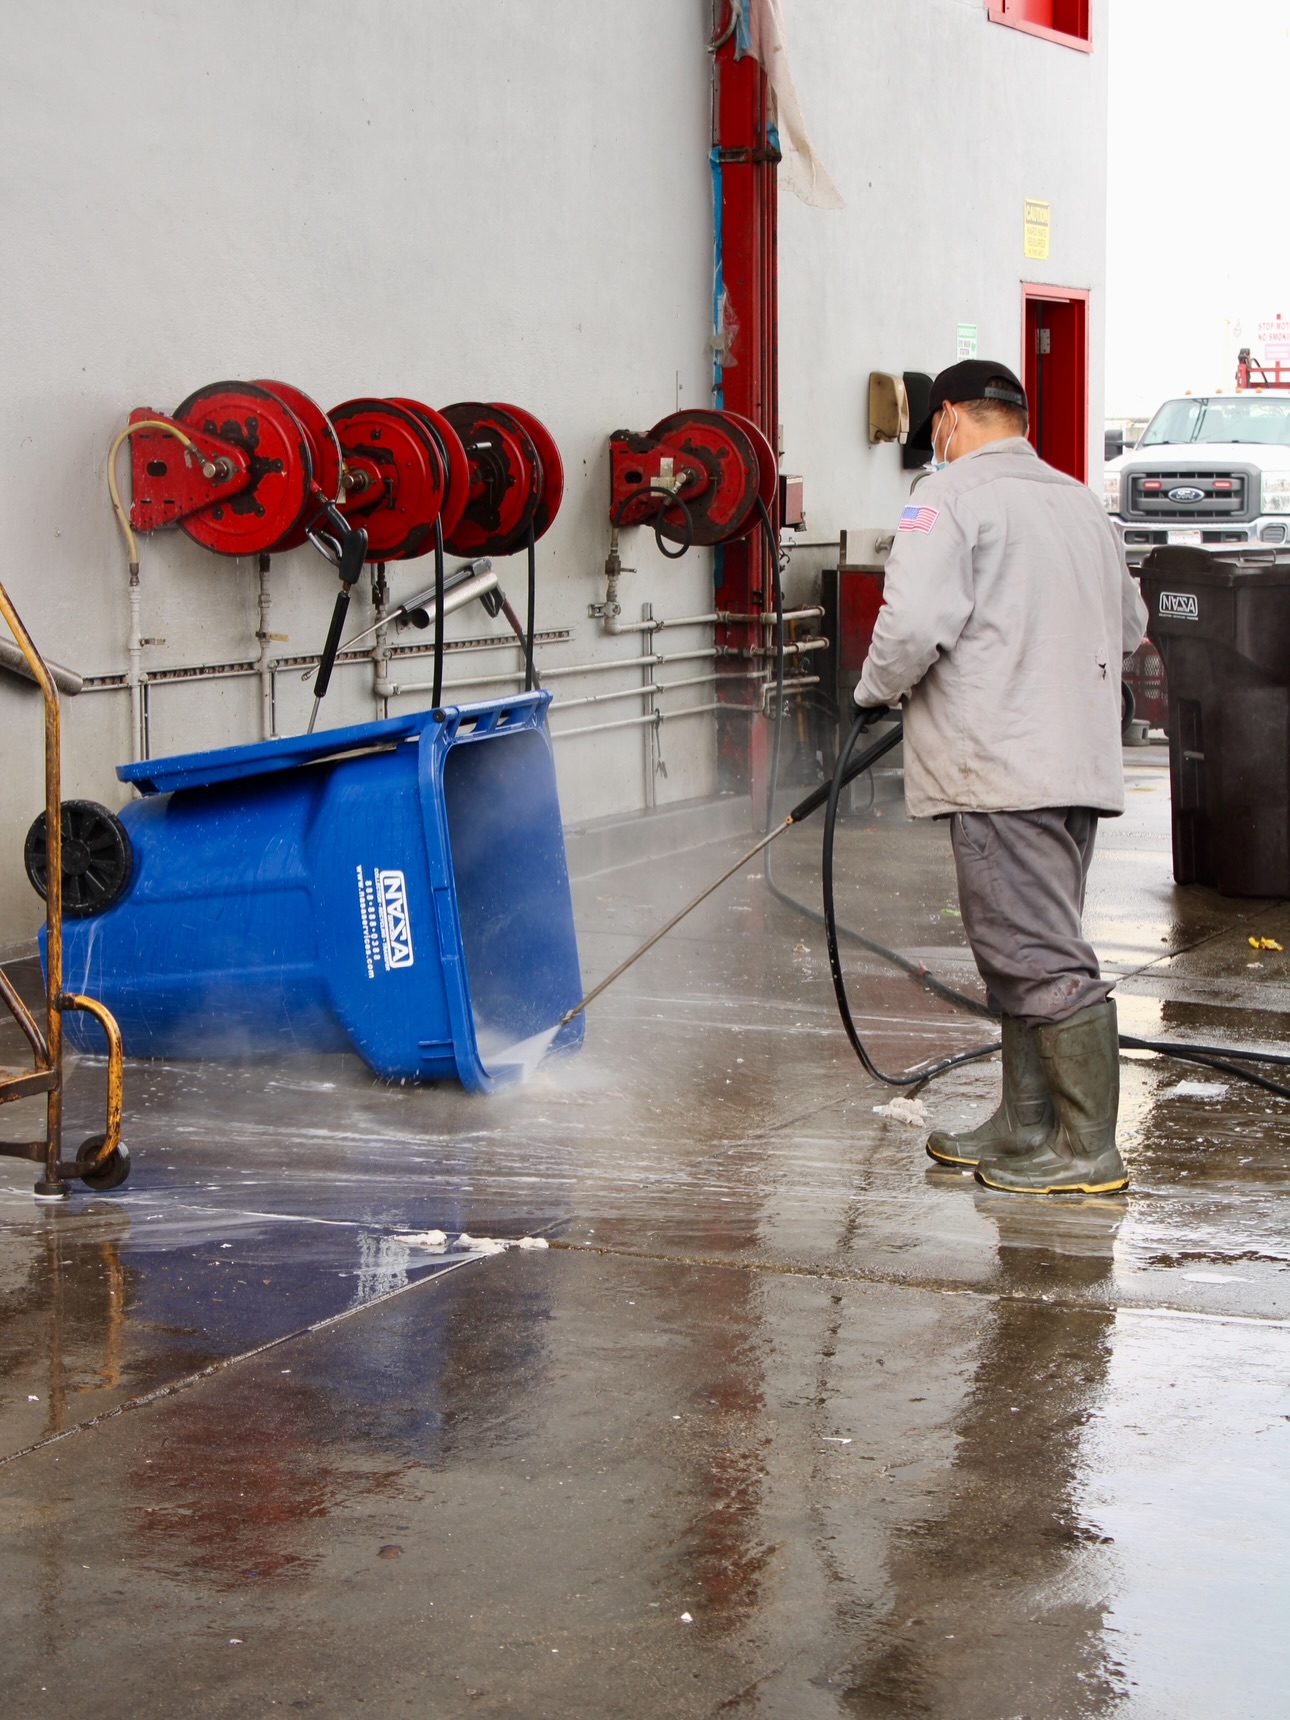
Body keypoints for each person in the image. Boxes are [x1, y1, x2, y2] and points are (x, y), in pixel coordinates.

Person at [854, 359, 1148, 1194]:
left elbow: (911, 623)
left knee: (1036, 957)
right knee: (1024, 949)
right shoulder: (1079, 500)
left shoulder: (944, 497)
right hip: (1075, 765)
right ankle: (1025, 1127)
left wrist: (873, 692)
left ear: (947, 417)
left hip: (1001, 767)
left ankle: (1087, 1150)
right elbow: (1129, 627)